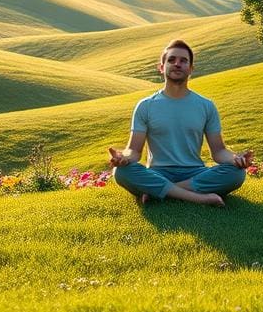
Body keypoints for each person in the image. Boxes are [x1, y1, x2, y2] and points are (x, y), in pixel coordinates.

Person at [108, 39, 253, 207]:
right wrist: (123, 158)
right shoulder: (145, 106)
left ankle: (160, 192)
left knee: (236, 173)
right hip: (158, 173)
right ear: (161, 67)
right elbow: (134, 150)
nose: (177, 64)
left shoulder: (206, 106)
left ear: (191, 69)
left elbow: (219, 151)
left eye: (183, 61)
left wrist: (236, 159)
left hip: (193, 173)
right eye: (171, 60)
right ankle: (199, 198)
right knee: (121, 172)